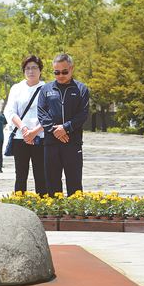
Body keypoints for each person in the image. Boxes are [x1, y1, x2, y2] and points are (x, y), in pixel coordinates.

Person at [37, 53, 90, 197]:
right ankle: (55, 215)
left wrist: (65, 128)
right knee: (52, 182)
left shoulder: (81, 89)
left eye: (64, 72)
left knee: (74, 182)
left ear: (71, 69)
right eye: (56, 72)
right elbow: (42, 114)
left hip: (72, 143)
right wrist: (56, 130)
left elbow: (83, 114)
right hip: (51, 143)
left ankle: (75, 215)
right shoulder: (45, 90)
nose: (60, 75)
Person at [4, 55, 46, 195]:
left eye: (34, 67)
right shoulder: (17, 88)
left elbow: (51, 114)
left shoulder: (47, 88)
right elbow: (10, 111)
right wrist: (24, 128)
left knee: (41, 174)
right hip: (20, 137)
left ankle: (43, 207)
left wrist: (35, 131)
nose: (31, 71)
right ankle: (20, 205)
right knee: (21, 175)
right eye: (27, 68)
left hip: (40, 136)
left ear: (40, 70)